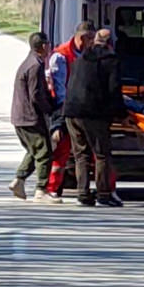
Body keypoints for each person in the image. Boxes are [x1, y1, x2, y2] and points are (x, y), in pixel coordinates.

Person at [63, 29, 126, 207]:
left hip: (71, 111)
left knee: (81, 155)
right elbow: (114, 90)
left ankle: (83, 194)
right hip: (93, 113)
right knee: (101, 154)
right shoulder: (110, 61)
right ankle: (104, 194)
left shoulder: (80, 59)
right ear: (110, 43)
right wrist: (121, 115)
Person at [45, 22, 96, 197]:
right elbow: (60, 92)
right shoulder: (61, 56)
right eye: (90, 40)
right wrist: (59, 122)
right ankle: (52, 188)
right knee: (62, 151)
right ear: (83, 38)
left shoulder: (88, 53)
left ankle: (103, 189)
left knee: (91, 153)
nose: (92, 44)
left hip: (83, 109)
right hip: (67, 109)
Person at [9, 32, 60, 204]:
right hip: (29, 116)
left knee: (35, 150)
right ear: (43, 46)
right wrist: (49, 109)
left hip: (20, 116)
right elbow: (36, 94)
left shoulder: (30, 62)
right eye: (48, 44)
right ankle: (41, 190)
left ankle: (19, 180)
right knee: (45, 152)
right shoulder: (35, 66)